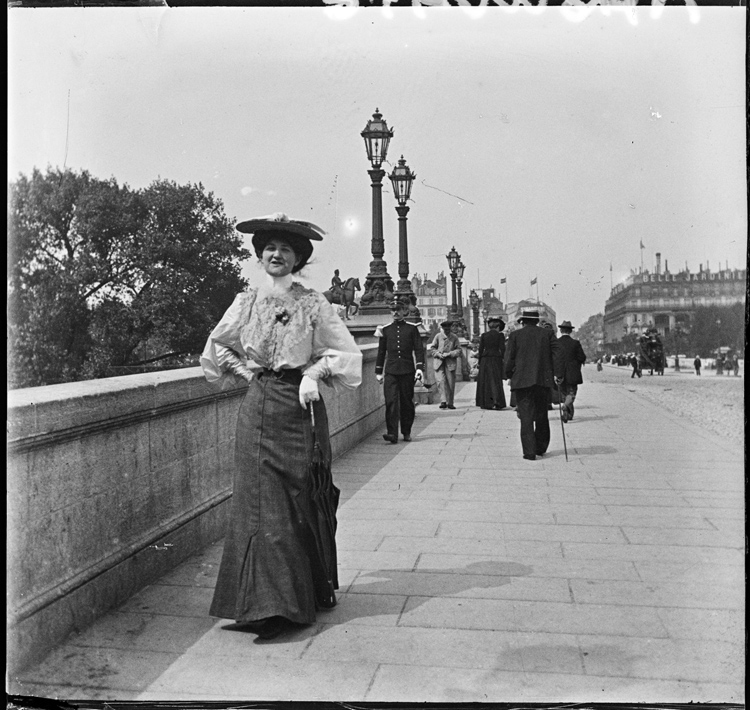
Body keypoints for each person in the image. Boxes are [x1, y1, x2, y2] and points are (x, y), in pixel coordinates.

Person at [200, 213, 362, 640]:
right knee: (257, 501)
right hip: (258, 408)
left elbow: (345, 354)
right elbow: (218, 346)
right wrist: (247, 372)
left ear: (298, 259)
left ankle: (295, 598)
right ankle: (261, 606)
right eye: (270, 248)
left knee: (297, 498)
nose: (276, 255)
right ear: (260, 254)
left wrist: (312, 375)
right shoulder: (246, 300)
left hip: (299, 408)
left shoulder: (313, 303)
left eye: (286, 250)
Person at [504, 308, 559, 461]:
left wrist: (509, 374)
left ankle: (529, 451)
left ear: (522, 321)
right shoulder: (547, 334)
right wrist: (557, 374)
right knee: (542, 414)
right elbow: (557, 353)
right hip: (542, 381)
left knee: (526, 417)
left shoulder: (515, 335)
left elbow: (509, 359)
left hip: (522, 381)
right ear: (536, 321)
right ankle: (540, 448)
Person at [374, 297, 425, 443]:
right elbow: (381, 352)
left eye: (398, 310)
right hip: (391, 372)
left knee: (407, 403)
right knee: (390, 402)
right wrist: (378, 371)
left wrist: (420, 368)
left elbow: (419, 350)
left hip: (407, 371)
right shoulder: (386, 330)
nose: (395, 312)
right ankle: (392, 433)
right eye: (393, 310)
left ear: (404, 311)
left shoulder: (412, 329)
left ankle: (406, 431)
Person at [553, 320, 587, 423]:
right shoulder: (575, 343)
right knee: (571, 393)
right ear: (570, 331)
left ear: (560, 330)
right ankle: (566, 407)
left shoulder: (556, 343)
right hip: (573, 373)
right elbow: (582, 357)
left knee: (564, 394)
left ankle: (567, 414)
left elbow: (553, 358)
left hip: (560, 373)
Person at [429, 320, 462, 410]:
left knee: (451, 383)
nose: (447, 331)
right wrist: (438, 354)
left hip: (450, 363)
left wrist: (450, 354)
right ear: (442, 329)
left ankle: (450, 402)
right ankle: (443, 401)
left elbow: (459, 350)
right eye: (445, 329)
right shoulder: (438, 336)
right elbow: (432, 348)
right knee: (440, 381)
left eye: (448, 329)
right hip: (439, 363)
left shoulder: (454, 337)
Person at [475, 316, 507, 410]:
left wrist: (480, 362)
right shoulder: (500, 335)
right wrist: (503, 359)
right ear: (497, 327)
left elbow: (480, 349)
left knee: (486, 381)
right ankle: (497, 401)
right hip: (496, 359)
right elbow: (502, 348)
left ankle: (486, 403)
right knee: (496, 380)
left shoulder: (484, 335)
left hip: (485, 359)